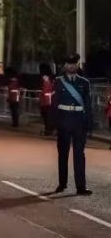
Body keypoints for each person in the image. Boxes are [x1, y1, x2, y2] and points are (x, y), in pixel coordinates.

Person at [52, 54, 92, 195]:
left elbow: (88, 105)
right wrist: (54, 124)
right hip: (63, 122)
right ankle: (62, 184)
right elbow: (54, 104)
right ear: (65, 66)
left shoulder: (84, 83)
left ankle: (80, 186)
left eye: (74, 64)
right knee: (63, 154)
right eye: (69, 64)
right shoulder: (58, 82)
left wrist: (89, 125)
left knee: (79, 155)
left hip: (78, 122)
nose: (71, 66)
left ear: (77, 65)